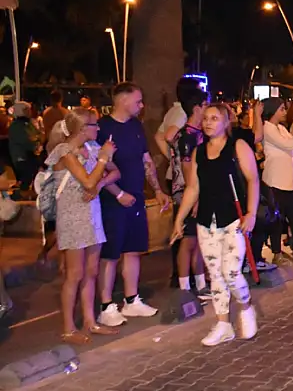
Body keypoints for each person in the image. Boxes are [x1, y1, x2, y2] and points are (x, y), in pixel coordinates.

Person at [173, 104, 260, 346]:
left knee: (231, 272)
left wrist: (251, 213)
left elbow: (253, 179)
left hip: (234, 219)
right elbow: (193, 188)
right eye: (206, 118)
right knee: (215, 275)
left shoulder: (238, 147)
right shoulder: (200, 151)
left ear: (226, 122)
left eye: (215, 118)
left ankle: (245, 307)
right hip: (206, 222)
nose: (208, 122)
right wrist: (180, 219)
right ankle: (223, 324)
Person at [96, 82, 173, 326]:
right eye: (138, 101)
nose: (141, 106)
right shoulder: (102, 129)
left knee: (133, 250)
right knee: (110, 254)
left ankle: (132, 300)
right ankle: (106, 305)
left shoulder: (136, 126)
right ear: (123, 100)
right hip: (111, 201)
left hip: (136, 198)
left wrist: (157, 189)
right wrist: (118, 194)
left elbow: (146, 159)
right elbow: (96, 169)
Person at [45, 110, 120, 344]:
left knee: (91, 272)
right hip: (72, 217)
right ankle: (68, 327)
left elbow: (113, 174)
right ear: (81, 129)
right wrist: (103, 159)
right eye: (94, 125)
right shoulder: (64, 151)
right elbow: (87, 181)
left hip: (92, 215)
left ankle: (90, 321)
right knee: (74, 275)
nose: (98, 129)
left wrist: (101, 183)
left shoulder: (94, 148)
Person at [255, 98, 293, 260]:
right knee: (276, 218)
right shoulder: (267, 128)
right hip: (275, 180)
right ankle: (277, 252)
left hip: (289, 179)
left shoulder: (281, 128)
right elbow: (288, 145)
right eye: (281, 109)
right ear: (273, 110)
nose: (284, 112)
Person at [167, 88, 209, 297]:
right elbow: (186, 169)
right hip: (186, 194)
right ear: (196, 108)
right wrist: (194, 199)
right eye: (205, 105)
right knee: (188, 240)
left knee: (199, 239)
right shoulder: (186, 136)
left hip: (198, 193)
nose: (207, 109)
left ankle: (201, 284)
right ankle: (184, 287)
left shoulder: (199, 134)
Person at [9, 102, 43, 193]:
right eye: (27, 110)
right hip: (21, 156)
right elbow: (25, 140)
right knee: (26, 177)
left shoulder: (28, 123)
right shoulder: (16, 125)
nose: (30, 112)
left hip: (31, 155)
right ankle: (21, 196)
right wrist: (35, 144)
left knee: (34, 175)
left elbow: (38, 135)